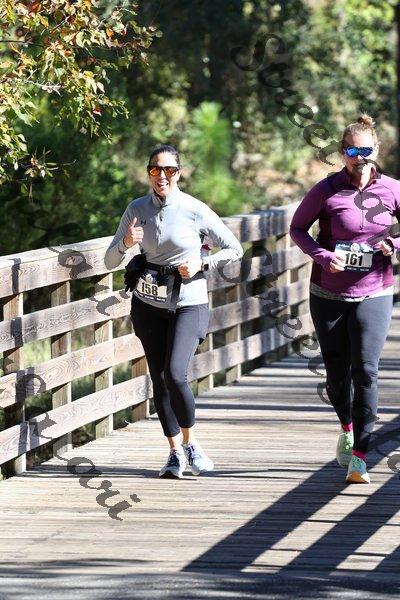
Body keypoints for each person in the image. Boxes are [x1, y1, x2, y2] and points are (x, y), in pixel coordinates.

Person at [105, 144, 243, 478]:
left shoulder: (195, 210)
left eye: (169, 170)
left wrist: (202, 263)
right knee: (159, 377)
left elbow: (234, 248)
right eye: (156, 170)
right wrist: (126, 243)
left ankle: (191, 443)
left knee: (175, 373)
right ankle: (174, 453)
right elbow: (109, 260)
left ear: (179, 173)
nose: (162, 176)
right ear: (148, 173)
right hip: (148, 304)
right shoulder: (137, 209)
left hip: (188, 302)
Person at [290, 114, 400, 484]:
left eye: (366, 150)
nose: (360, 158)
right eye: (352, 151)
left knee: (366, 370)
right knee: (337, 372)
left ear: (376, 150)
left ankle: (360, 458)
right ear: (343, 153)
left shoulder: (391, 189)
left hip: (375, 290)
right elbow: (297, 228)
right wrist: (323, 256)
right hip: (329, 293)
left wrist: (393, 244)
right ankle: (347, 427)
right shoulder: (327, 190)